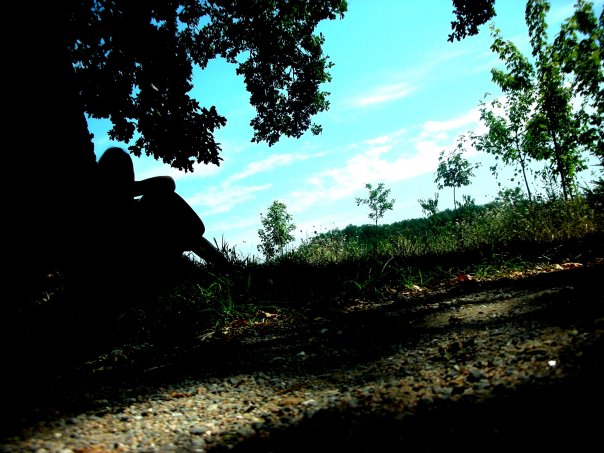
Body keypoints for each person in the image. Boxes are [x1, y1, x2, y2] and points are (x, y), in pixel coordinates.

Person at [94, 147, 226, 288]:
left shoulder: (135, 204)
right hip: (135, 263)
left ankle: (224, 266)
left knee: (162, 199)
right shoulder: (104, 206)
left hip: (153, 255)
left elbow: (168, 183)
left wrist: (132, 188)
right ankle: (225, 266)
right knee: (159, 198)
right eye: (121, 172)